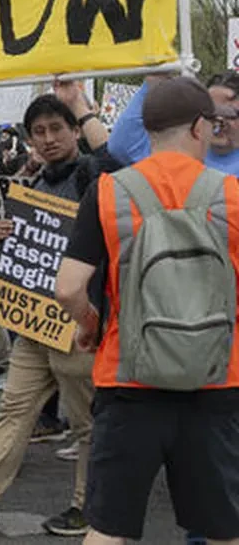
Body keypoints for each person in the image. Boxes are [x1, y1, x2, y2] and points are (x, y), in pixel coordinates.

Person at [55, 76, 239, 545]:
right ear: (201, 127)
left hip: (129, 378)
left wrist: (93, 327)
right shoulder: (233, 195)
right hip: (217, 379)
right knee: (223, 530)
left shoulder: (108, 191)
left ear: (147, 128)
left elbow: (69, 288)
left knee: (108, 529)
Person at [0, 82, 118, 537]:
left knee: (86, 424)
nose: (49, 138)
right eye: (39, 131)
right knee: (13, 409)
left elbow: (117, 162)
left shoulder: (93, 174)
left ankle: (87, 508)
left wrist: (81, 104)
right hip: (34, 324)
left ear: (75, 131)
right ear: (30, 139)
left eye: (57, 128)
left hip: (79, 325)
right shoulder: (31, 182)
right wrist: (5, 234)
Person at [108, 70, 239, 173]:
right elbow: (121, 146)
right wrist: (152, 85)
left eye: (231, 113)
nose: (219, 120)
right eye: (212, 111)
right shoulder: (177, 151)